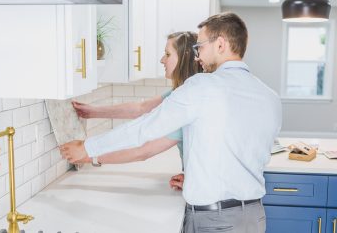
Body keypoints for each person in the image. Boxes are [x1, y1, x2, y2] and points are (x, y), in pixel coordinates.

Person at [60, 12, 282, 233]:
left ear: (221, 45)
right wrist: (199, 180)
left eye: (201, 47)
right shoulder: (270, 97)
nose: (198, 57)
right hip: (255, 217)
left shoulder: (202, 87)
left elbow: (146, 126)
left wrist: (88, 148)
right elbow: (244, 153)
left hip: (215, 221)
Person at [72, 31, 202, 190]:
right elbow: (142, 108)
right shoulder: (183, 92)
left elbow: (143, 151)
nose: (162, 60)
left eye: (167, 54)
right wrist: (92, 112)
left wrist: (89, 155)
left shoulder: (185, 102)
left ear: (184, 58)